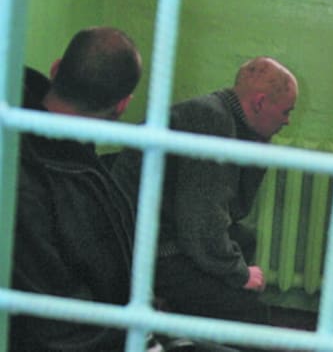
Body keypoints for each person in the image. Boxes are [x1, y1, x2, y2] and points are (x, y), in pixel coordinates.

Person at [110, 57, 298, 332]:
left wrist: (258, 144)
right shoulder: (212, 122)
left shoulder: (225, 119)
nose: (287, 121)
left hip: (164, 233)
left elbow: (235, 209)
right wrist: (239, 274)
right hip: (147, 249)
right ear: (259, 103)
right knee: (251, 315)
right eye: (285, 112)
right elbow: (201, 223)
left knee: (244, 240)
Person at [10, 26, 146, 351]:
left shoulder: (21, 145)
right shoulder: (71, 181)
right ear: (122, 105)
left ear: (56, 69)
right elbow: (57, 328)